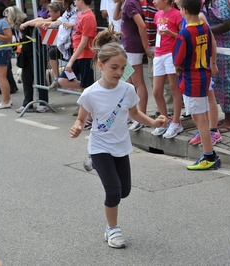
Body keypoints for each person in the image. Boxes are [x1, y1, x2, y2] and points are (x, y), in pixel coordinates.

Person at [70, 27, 167, 249]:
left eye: (123, 68)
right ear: (100, 65)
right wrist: (76, 127)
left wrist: (152, 122)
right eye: (114, 67)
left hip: (121, 145)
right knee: (113, 191)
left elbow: (133, 113)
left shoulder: (127, 89)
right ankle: (112, 230)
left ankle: (95, 164)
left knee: (125, 191)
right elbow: (82, 119)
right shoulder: (90, 94)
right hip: (99, 145)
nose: (118, 72)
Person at [172, 0, 221, 170]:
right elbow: (211, 47)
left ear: (184, 10)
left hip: (191, 78)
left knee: (199, 119)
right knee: (200, 116)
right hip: (203, 73)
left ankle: (209, 156)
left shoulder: (185, 33)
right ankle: (209, 154)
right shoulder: (205, 27)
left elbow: (177, 60)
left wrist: (178, 66)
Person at [5, 5, 54, 113]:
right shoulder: (15, 27)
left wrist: (26, 24)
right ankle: (27, 103)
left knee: (40, 78)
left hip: (37, 54)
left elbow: (40, 20)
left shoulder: (25, 21)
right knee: (26, 79)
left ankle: (43, 103)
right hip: (25, 55)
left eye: (7, 17)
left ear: (13, 16)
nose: (6, 20)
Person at [204, 0, 230, 133]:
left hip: (226, 46)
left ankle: (229, 122)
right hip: (224, 45)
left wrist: (206, 30)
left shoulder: (218, 1)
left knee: (227, 82)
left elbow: (227, 23)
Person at [114, 0, 152, 131]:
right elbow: (115, 17)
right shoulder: (128, 3)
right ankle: (133, 113)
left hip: (133, 47)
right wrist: (119, 3)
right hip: (128, 46)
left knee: (138, 82)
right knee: (129, 82)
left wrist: (145, 47)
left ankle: (141, 116)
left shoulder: (130, 4)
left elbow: (141, 26)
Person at [57, 0, 97, 116]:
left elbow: (84, 42)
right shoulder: (80, 14)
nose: (74, 2)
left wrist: (71, 61)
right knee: (63, 79)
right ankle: (90, 88)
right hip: (78, 55)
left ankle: (89, 117)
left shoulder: (89, 17)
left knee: (83, 85)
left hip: (85, 56)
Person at [150, 0, 183, 138]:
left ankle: (176, 122)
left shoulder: (177, 14)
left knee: (174, 89)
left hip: (171, 54)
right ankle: (164, 121)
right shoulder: (157, 15)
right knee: (156, 91)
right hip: (159, 55)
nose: (154, 2)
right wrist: (155, 58)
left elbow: (183, 37)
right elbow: (158, 37)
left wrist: (170, 32)